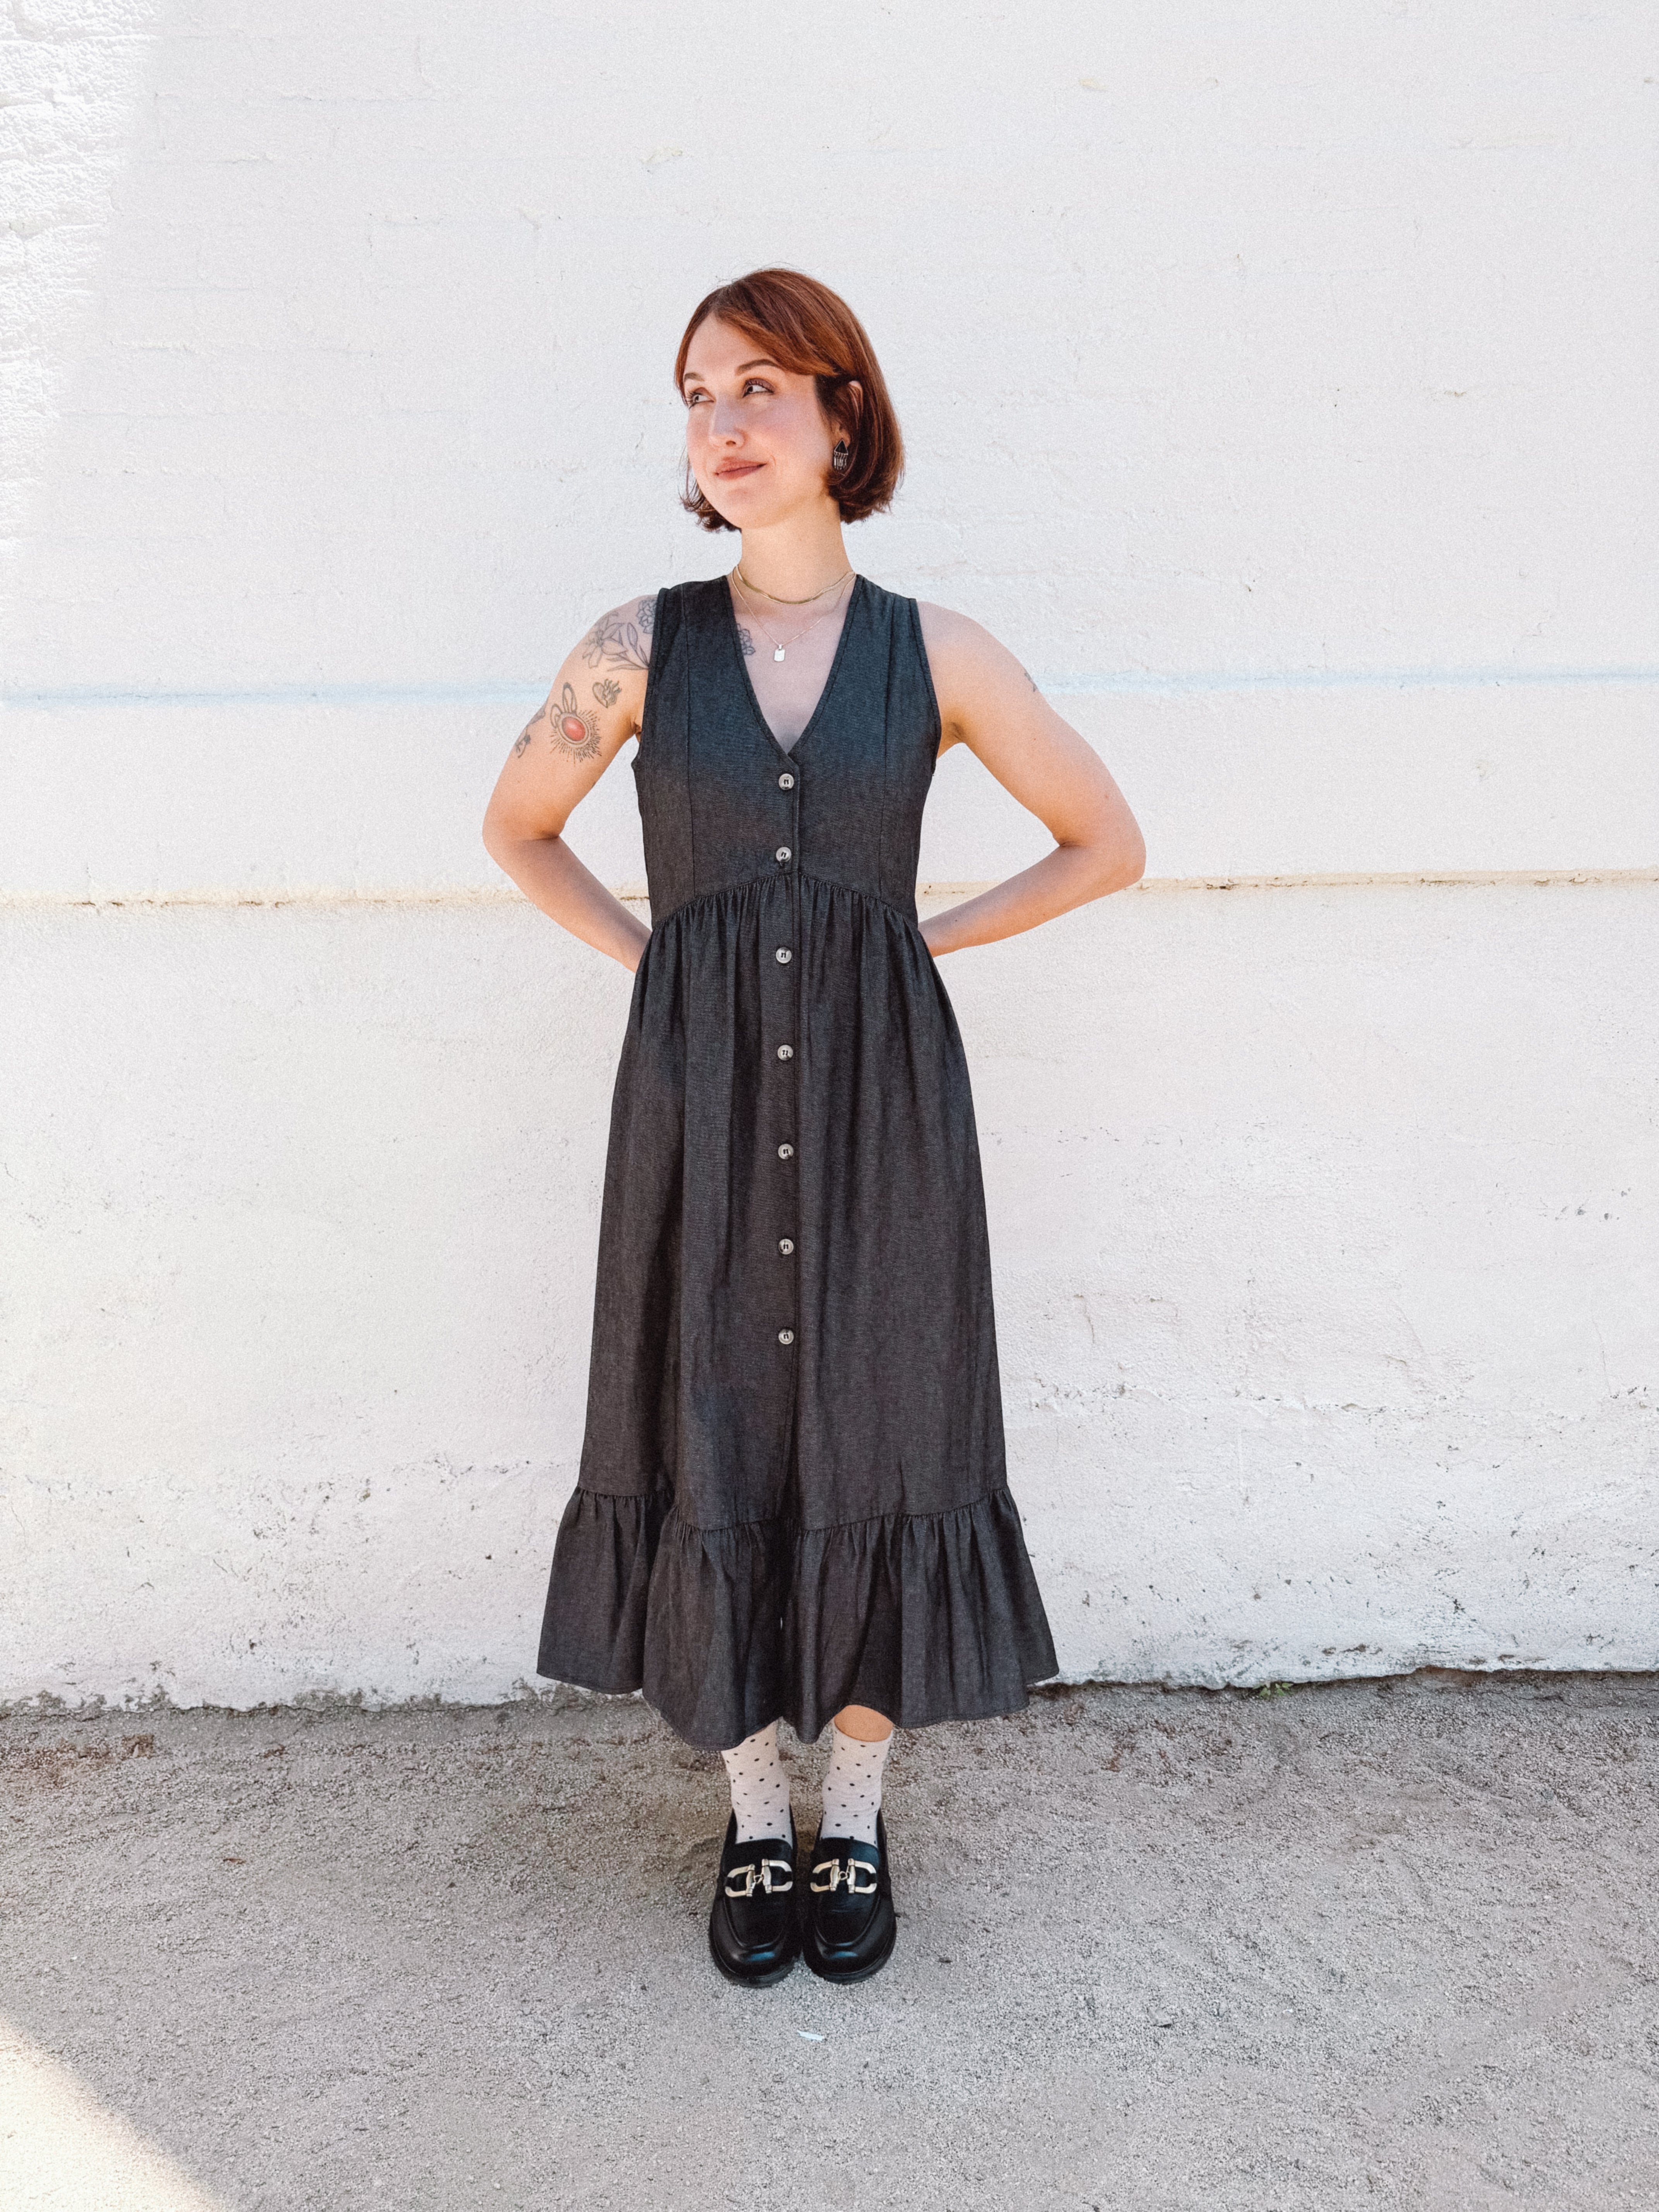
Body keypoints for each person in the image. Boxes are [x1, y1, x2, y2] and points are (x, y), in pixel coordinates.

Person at [482, 268, 1145, 1988]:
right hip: (699, 1099)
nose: (724, 423)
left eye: (762, 386)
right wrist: (658, 964)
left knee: (884, 1418)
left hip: (883, 1101)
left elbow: (1105, 841)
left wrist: (921, 939)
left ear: (843, 415)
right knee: (709, 1411)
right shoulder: (637, 646)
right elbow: (520, 826)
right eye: (699, 393)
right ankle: (751, 1810)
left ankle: (851, 1805)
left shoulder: (940, 651)